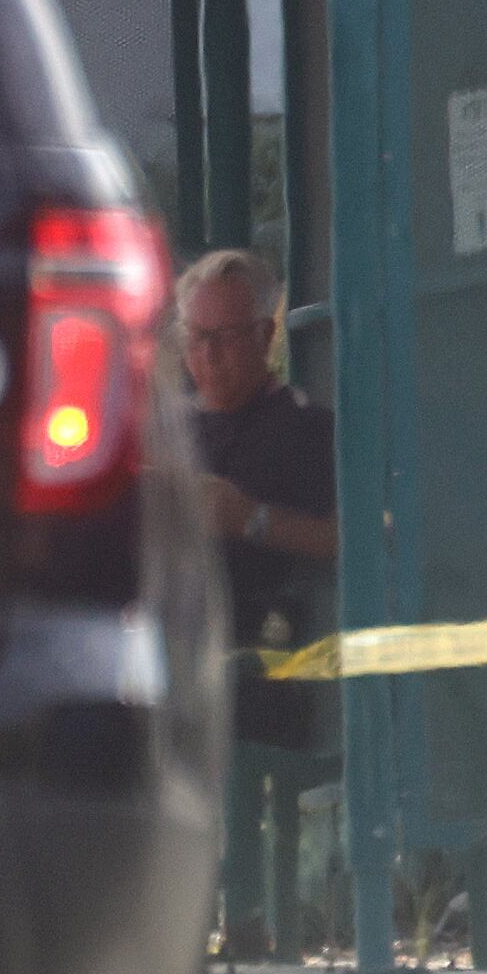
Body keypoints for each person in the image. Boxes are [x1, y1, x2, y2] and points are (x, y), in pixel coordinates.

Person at [180, 250, 340, 754]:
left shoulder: (306, 430)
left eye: (223, 338)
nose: (208, 355)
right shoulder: (168, 433)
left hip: (265, 653)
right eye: (196, 337)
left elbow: (352, 538)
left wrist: (251, 520)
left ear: (265, 337)